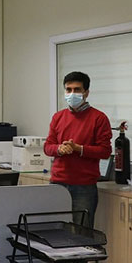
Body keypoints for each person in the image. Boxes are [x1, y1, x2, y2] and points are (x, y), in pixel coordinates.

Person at [44, 71, 112, 229]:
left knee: (82, 233)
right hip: (57, 184)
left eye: (77, 89)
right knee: (55, 231)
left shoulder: (99, 118)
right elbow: (47, 146)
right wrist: (59, 149)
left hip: (84, 187)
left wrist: (79, 149)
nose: (72, 93)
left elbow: (105, 151)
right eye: (68, 90)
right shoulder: (58, 117)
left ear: (86, 93)